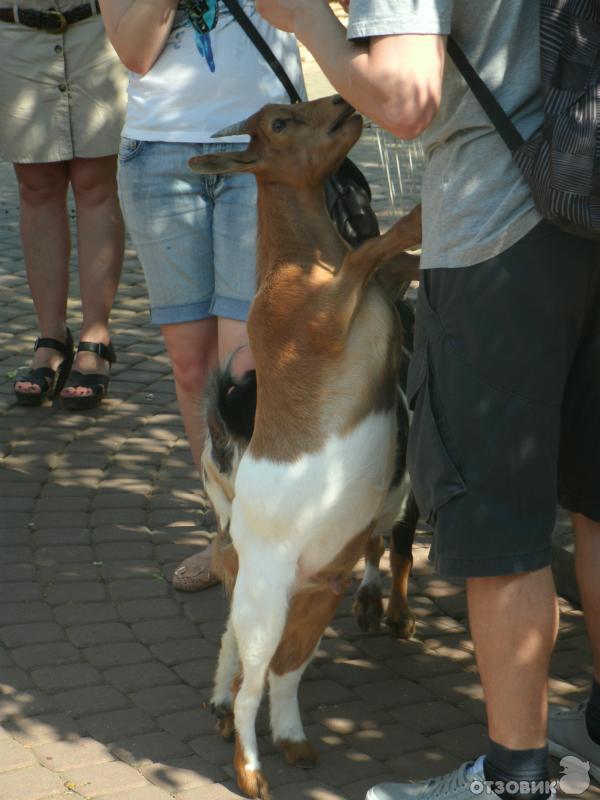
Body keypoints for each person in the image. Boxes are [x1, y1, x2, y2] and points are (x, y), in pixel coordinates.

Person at [254, 1, 600, 799]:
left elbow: (405, 97)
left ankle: (516, 779)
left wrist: (307, 20)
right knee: (597, 499)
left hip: (500, 233)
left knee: (500, 521)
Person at [100, 0, 305, 591]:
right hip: (159, 159)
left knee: (244, 367)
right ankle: (229, 533)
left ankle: (270, 535)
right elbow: (135, 52)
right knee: (193, 371)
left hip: (260, 147)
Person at [1, 1, 127, 410]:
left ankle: (96, 337)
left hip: (97, 24)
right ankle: (51, 338)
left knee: (95, 184)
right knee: (36, 187)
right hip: (15, 29)